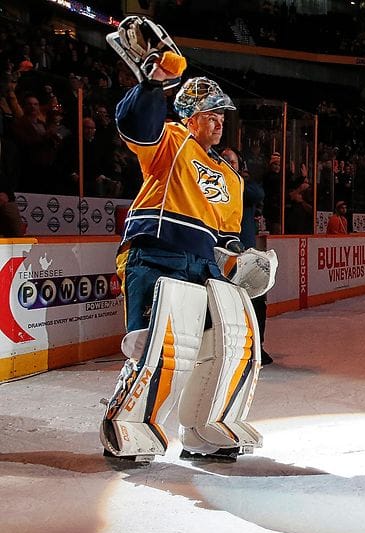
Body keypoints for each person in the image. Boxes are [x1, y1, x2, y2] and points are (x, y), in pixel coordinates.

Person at [100, 16, 275, 464]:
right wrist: (154, 83)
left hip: (204, 269)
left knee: (228, 345)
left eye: (221, 115)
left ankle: (204, 427)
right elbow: (136, 125)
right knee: (153, 345)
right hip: (157, 254)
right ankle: (128, 425)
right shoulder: (173, 140)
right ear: (189, 114)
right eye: (209, 113)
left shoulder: (230, 176)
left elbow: (228, 237)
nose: (217, 122)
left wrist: (243, 262)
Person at [221, 147, 272, 365]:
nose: (225, 164)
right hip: (219, 255)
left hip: (245, 256)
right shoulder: (211, 186)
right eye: (222, 160)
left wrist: (236, 178)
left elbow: (258, 194)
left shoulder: (244, 187)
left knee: (256, 302)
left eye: (230, 162)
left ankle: (256, 347)